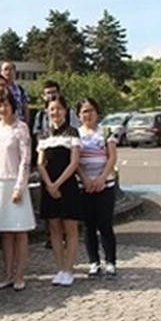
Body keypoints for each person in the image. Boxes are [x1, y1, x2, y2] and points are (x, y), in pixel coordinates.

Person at [0, 94, 34, 291]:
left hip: (14, 182)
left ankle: (20, 274)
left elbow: (25, 160)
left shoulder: (21, 128)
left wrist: (20, 186)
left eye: (5, 105)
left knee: (19, 231)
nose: (2, 109)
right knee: (5, 232)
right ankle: (8, 274)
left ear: (12, 106)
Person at [36, 96, 82, 288]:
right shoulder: (43, 135)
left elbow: (74, 162)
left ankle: (69, 269)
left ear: (65, 111)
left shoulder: (72, 133)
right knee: (54, 228)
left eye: (59, 109)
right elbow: (40, 163)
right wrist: (49, 184)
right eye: (52, 109)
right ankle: (60, 268)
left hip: (67, 185)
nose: (55, 112)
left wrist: (58, 184)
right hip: (49, 186)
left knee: (70, 228)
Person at [76, 98, 118, 278]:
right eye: (84, 111)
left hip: (105, 185)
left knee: (105, 224)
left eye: (91, 110)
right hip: (84, 186)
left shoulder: (106, 132)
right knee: (89, 226)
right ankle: (94, 262)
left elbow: (112, 157)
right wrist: (85, 179)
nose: (88, 114)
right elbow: (75, 160)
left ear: (97, 112)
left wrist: (101, 178)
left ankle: (110, 261)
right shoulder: (76, 134)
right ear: (79, 115)